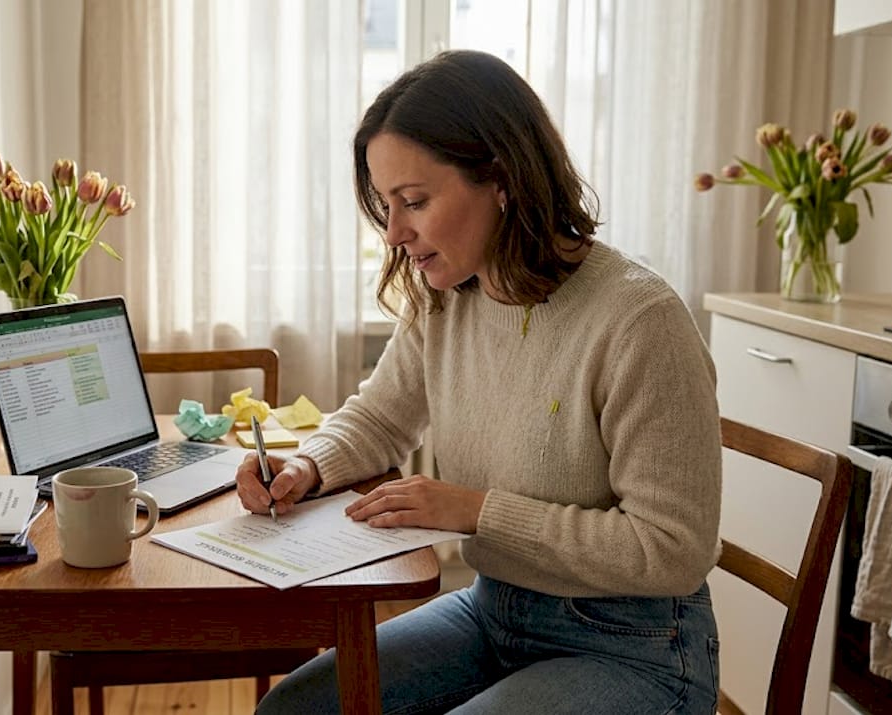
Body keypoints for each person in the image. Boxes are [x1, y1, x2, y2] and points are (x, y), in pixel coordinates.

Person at [234, 49, 722, 714]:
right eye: (386, 204)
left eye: (414, 201)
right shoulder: (447, 299)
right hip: (494, 611)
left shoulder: (640, 320)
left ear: (502, 179)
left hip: (635, 647)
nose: (394, 232)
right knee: (293, 709)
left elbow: (672, 549)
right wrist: (305, 466)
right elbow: (380, 418)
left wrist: (475, 510)